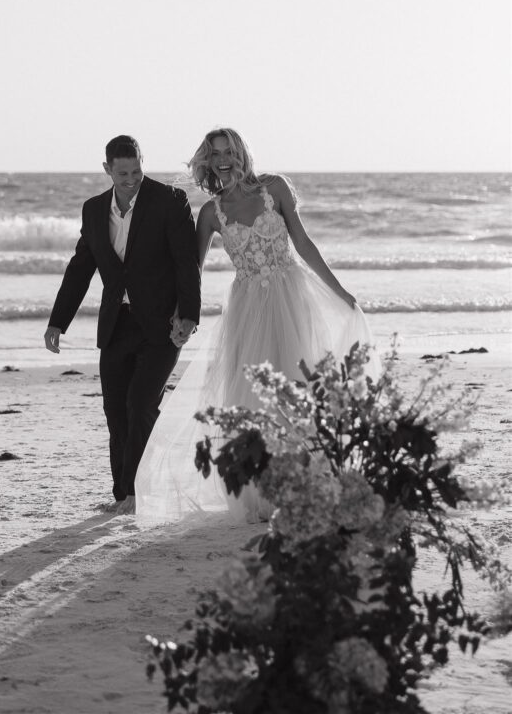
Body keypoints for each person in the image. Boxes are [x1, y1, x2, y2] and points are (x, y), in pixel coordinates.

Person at [135, 127, 380, 524]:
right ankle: (262, 493)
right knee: (251, 401)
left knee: (299, 393)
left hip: (292, 299)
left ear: (241, 152)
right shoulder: (211, 213)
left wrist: (339, 291)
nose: (222, 159)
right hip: (248, 310)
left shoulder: (275, 188)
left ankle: (307, 488)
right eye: (214, 154)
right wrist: (182, 315)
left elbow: (303, 243)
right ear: (208, 160)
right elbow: (190, 273)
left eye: (228, 150)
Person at [44, 135, 201, 513]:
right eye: (123, 173)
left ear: (142, 164)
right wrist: (58, 322)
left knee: (141, 404)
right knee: (116, 412)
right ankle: (123, 494)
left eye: (136, 170)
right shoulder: (94, 209)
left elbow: (186, 263)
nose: (131, 179)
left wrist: (189, 316)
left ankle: (137, 493)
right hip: (117, 325)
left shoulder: (169, 201)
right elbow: (81, 267)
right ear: (107, 170)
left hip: (163, 326)